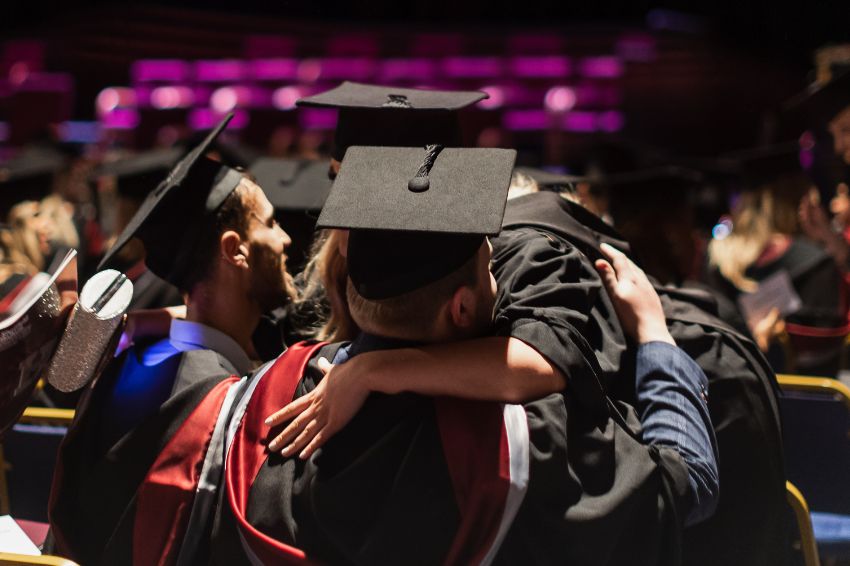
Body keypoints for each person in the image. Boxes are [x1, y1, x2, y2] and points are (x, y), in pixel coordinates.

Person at [213, 146, 717, 564]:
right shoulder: (524, 440)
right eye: (490, 267)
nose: (499, 279)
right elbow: (686, 483)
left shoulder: (269, 400)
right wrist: (654, 336)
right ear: (461, 307)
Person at [48, 113, 296, 564]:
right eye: (272, 222)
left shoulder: (133, 365)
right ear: (233, 250)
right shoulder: (224, 402)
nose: (286, 238)